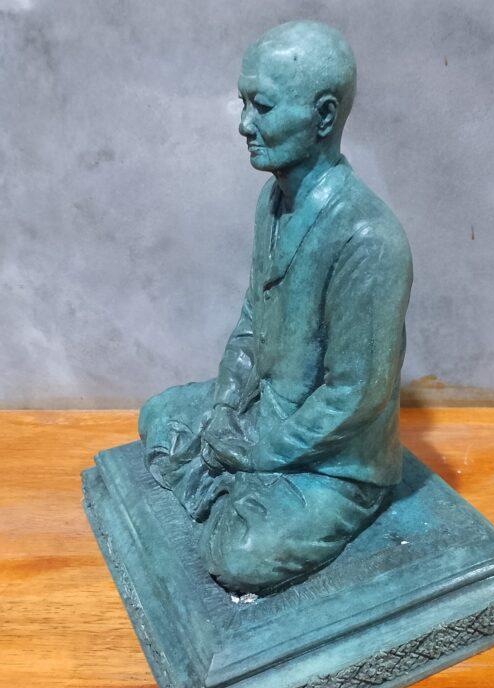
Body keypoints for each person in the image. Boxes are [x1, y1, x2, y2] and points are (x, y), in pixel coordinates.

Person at [139, 20, 412, 595]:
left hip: (335, 458)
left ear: (323, 116)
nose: (243, 124)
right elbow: (250, 324)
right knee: (159, 416)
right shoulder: (272, 201)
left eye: (261, 107)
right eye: (243, 103)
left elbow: (355, 395)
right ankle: (232, 484)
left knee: (240, 557)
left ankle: (242, 491)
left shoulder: (368, 239)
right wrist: (224, 405)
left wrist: (260, 453)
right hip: (262, 409)